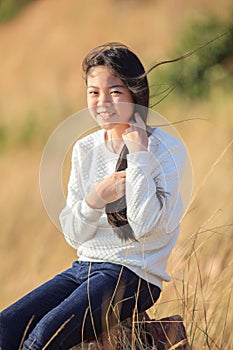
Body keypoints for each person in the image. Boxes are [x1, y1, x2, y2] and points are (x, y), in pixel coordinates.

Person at [0, 42, 187, 349]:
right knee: (6, 327)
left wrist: (138, 156)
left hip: (135, 276)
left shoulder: (166, 148)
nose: (102, 102)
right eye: (93, 92)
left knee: (45, 337)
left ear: (134, 94)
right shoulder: (84, 149)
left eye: (114, 92)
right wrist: (96, 197)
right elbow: (75, 236)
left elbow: (146, 228)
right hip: (84, 268)